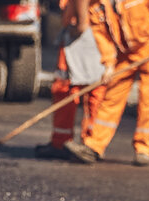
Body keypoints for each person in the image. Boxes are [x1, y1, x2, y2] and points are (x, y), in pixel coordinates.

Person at [64, 0, 149, 166]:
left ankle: (144, 149)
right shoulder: (97, 5)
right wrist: (108, 63)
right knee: (111, 98)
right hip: (125, 53)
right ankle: (93, 146)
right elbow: (101, 34)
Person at [35, 0, 107, 160]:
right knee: (92, 88)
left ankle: (77, 145)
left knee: (69, 87)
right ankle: (88, 144)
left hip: (83, 34)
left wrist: (81, 24)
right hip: (94, 32)